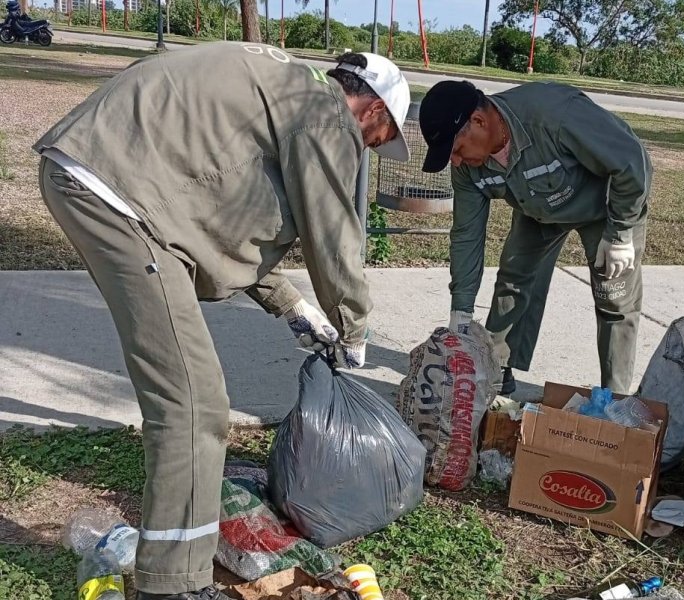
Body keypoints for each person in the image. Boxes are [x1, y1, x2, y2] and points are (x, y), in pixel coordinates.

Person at [33, 44, 410, 599]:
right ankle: (171, 586)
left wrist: (291, 305)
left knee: (191, 396)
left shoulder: (284, 89)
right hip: (117, 197)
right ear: (372, 109)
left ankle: (174, 572)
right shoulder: (325, 111)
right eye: (379, 138)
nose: (370, 147)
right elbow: (333, 233)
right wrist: (353, 327)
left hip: (98, 174)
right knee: (193, 401)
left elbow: (219, 221)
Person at [418, 80, 651, 395]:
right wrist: (460, 313)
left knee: (614, 296)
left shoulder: (555, 115)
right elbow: (466, 236)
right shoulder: (467, 169)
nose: (455, 162)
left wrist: (621, 231)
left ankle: (615, 396)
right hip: (539, 206)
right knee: (514, 279)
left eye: (457, 150)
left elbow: (630, 162)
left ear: (479, 121)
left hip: (606, 205)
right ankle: (496, 371)